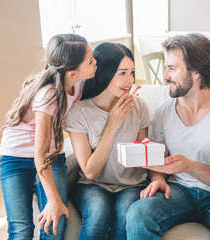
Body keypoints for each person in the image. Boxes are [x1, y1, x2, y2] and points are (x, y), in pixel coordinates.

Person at [125, 33, 210, 240]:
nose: (165, 76)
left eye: (172, 68)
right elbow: (159, 162)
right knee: (138, 213)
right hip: (178, 192)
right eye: (166, 68)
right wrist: (158, 178)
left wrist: (190, 166)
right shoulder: (163, 111)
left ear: (196, 72)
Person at [0, 33, 97, 239]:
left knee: (55, 226)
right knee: (21, 229)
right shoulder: (48, 95)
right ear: (72, 73)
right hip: (16, 157)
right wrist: (53, 200)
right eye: (90, 61)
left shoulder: (77, 84)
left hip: (50, 155)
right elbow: (40, 152)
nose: (96, 62)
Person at [65, 42, 150, 240]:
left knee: (124, 219)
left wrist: (150, 151)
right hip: (93, 185)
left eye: (132, 72)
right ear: (103, 72)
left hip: (132, 184)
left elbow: (142, 160)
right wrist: (113, 124)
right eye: (122, 73)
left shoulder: (139, 106)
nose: (129, 79)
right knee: (97, 215)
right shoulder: (79, 112)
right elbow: (90, 172)